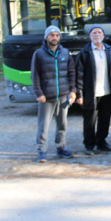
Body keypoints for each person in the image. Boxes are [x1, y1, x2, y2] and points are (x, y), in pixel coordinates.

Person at [32, 26, 77, 162]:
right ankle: (42, 150)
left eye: (57, 35)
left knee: (62, 124)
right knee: (43, 125)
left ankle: (61, 148)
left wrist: (73, 91)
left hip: (63, 96)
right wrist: (39, 93)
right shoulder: (39, 54)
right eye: (52, 35)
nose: (54, 38)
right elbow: (35, 76)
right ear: (46, 37)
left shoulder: (65, 52)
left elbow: (71, 73)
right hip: (46, 97)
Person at [75, 25, 111, 154]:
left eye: (99, 32)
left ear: (103, 35)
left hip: (107, 92)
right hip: (91, 94)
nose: (97, 34)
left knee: (105, 119)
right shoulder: (84, 53)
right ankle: (89, 145)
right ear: (90, 36)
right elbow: (78, 75)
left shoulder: (110, 51)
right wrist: (79, 93)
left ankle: (101, 142)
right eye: (93, 32)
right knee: (90, 121)